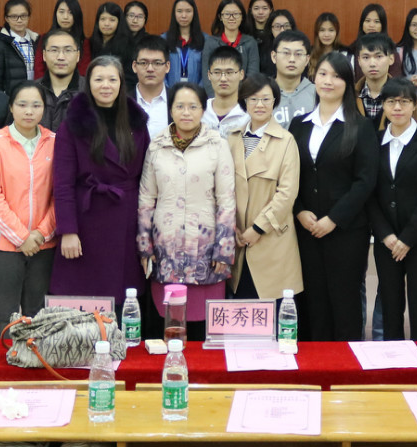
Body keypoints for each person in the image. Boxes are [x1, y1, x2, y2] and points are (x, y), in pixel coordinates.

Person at [138, 82, 238, 341]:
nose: (186, 112)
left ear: (203, 110)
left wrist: (224, 249)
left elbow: (226, 200)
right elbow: (146, 200)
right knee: (168, 325)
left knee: (203, 330)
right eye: (180, 106)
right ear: (170, 109)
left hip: (205, 248)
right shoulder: (156, 146)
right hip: (166, 247)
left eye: (193, 107)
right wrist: (145, 247)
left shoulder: (217, 145)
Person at [51, 56, 151, 308]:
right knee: (84, 297)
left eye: (112, 79)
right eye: (98, 79)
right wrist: (68, 231)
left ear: (121, 83)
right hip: (86, 220)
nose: (105, 85)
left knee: (124, 297)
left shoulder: (137, 123)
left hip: (126, 220)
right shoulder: (72, 125)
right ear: (88, 83)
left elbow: (146, 177)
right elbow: (62, 184)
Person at [291, 51, 377, 340]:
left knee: (344, 301)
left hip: (346, 231)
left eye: (337, 76)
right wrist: (299, 211)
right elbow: (289, 177)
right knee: (312, 300)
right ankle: (312, 362)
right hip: (306, 229)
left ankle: (346, 362)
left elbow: (365, 181)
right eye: (323, 74)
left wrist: (334, 219)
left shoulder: (361, 126)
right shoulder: (299, 125)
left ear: (347, 83)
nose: (328, 81)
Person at [0, 82, 57, 336]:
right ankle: (5, 360)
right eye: (22, 104)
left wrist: (41, 234)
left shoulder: (54, 142)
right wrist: (22, 237)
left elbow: (60, 195)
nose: (29, 111)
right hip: (4, 246)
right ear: (11, 107)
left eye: (36, 105)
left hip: (42, 244)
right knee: (6, 314)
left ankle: (35, 358)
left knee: (37, 313)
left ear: (44, 109)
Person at [371, 78, 417, 340]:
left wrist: (407, 238)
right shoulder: (375, 141)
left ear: (414, 105)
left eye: (404, 101)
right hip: (386, 240)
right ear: (384, 106)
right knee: (390, 303)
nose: (397, 107)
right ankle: (392, 356)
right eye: (391, 101)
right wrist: (385, 235)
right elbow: (369, 193)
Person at [230, 74, 303, 301]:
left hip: (271, 238)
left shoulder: (286, 141)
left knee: (274, 308)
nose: (259, 105)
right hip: (237, 239)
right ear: (244, 102)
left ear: (274, 101)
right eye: (253, 99)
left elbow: (287, 193)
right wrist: (232, 226)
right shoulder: (232, 139)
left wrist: (258, 228)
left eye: (265, 99)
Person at [201, 0, 260, 82]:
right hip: (216, 90)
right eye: (227, 14)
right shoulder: (211, 42)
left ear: (242, 17)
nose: (231, 18)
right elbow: (207, 76)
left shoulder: (250, 42)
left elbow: (252, 76)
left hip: (244, 90)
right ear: (220, 17)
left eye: (236, 14)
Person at [36, 28, 83, 131]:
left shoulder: (90, 91)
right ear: (44, 55)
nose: (61, 57)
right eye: (54, 50)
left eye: (68, 50)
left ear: (78, 56)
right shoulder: (31, 91)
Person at [270, 30, 318, 128]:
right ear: (274, 57)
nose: (292, 59)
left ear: (307, 60)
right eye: (286, 53)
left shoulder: (318, 93)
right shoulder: (261, 93)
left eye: (298, 54)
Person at [34, 0, 90, 80]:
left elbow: (83, 71)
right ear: (56, 14)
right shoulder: (44, 38)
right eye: (61, 12)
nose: (65, 17)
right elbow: (39, 69)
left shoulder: (83, 42)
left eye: (70, 12)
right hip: (47, 85)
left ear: (76, 15)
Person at [203, 45, 249, 134]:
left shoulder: (249, 114)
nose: (223, 78)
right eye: (217, 72)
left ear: (241, 74)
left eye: (229, 72)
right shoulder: (200, 111)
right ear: (209, 75)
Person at [131, 34, 171, 137]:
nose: (150, 69)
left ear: (167, 67)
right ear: (134, 66)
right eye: (143, 63)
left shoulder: (178, 101)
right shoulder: (123, 102)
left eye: (157, 63)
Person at [164, 0, 206, 89]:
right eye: (179, 11)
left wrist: (198, 92)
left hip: (198, 92)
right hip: (169, 93)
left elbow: (208, 71)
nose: (184, 15)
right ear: (174, 13)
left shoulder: (205, 40)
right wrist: (167, 92)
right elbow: (159, 69)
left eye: (188, 11)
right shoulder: (163, 39)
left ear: (194, 13)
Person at [354, 33, 397, 124]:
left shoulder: (405, 94)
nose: (372, 64)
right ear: (359, 61)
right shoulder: (350, 95)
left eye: (379, 56)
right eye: (366, 57)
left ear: (391, 59)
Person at [0, 0, 38, 88]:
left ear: (28, 16)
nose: (19, 20)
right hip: (11, 94)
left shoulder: (37, 41)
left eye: (23, 16)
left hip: (36, 92)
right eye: (14, 17)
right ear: (7, 18)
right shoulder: (0, 43)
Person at [89, 1, 132, 69]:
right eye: (103, 19)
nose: (106, 24)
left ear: (119, 22)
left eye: (112, 20)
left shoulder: (128, 46)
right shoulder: (90, 43)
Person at [259, 9, 296, 77]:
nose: (282, 30)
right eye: (277, 26)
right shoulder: (261, 50)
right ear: (271, 29)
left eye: (286, 26)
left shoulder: (299, 49)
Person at [307, 13, 342, 80]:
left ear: (337, 32)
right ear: (317, 33)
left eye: (331, 30)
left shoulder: (345, 54)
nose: (326, 35)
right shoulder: (309, 53)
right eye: (322, 30)